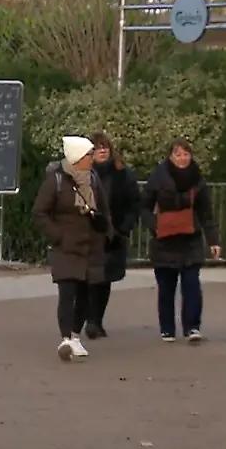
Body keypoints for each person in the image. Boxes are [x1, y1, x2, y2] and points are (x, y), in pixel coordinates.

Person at [33, 136, 112, 361]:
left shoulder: (94, 179)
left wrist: (107, 234)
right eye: (89, 155)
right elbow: (40, 212)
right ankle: (66, 337)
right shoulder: (56, 181)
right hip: (66, 247)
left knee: (86, 295)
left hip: (91, 247)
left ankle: (76, 336)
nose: (92, 159)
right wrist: (58, 236)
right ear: (78, 157)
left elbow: (104, 210)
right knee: (67, 293)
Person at [140, 138, 221, 343]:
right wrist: (155, 225)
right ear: (170, 156)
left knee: (192, 284)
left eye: (186, 154)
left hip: (190, 238)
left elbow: (206, 213)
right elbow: (143, 207)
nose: (182, 158)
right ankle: (167, 328)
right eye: (178, 154)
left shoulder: (198, 181)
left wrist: (213, 240)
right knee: (166, 287)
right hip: (164, 240)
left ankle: (192, 327)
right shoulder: (158, 177)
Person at [84, 131, 141, 339]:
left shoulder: (123, 174)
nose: (102, 150)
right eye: (98, 147)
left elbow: (134, 204)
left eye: (105, 146)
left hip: (114, 234)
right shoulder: (82, 173)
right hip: (89, 233)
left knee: (105, 279)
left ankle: (97, 320)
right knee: (90, 279)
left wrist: (123, 229)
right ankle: (90, 320)